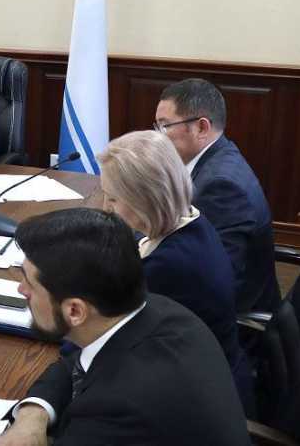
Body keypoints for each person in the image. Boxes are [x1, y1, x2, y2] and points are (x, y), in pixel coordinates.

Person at [0, 208, 250, 445]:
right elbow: (75, 361)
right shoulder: (161, 312)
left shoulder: (117, 409)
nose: (21, 290)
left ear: (74, 311)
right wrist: (34, 413)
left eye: (29, 283)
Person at [97, 130, 253, 413]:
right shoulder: (189, 220)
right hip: (202, 369)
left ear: (145, 198)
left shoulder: (170, 266)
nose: (105, 208)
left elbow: (105, 335)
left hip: (199, 402)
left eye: (113, 199)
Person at [156, 78, 280, 313]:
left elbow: (210, 277)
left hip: (230, 314)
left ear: (201, 128)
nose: (159, 137)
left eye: (165, 126)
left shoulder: (221, 187)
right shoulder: (217, 155)